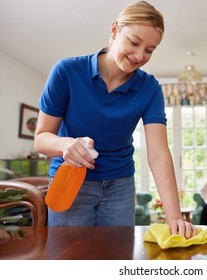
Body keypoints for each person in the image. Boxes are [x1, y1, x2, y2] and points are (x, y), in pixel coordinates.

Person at [34, 1, 196, 238]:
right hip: (70, 182)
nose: (140, 55)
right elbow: (41, 139)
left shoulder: (149, 88)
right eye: (134, 42)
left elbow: (159, 153)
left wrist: (174, 217)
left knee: (117, 258)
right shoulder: (67, 71)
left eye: (150, 50)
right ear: (114, 30)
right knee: (69, 259)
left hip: (120, 185)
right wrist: (65, 144)